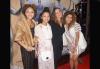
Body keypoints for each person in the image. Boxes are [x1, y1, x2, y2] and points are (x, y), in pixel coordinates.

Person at [14, 4, 38, 69]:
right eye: (27, 11)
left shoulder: (35, 23)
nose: (30, 14)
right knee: (27, 67)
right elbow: (17, 39)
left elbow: (35, 37)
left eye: (32, 12)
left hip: (33, 48)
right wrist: (27, 47)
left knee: (32, 66)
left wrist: (36, 49)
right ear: (25, 12)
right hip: (25, 49)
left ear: (34, 13)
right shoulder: (21, 23)